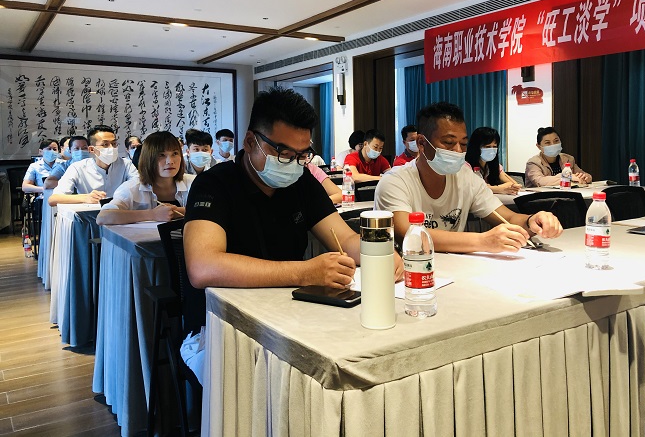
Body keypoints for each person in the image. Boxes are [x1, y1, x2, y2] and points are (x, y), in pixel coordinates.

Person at [182, 88, 402, 382]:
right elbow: (203, 266)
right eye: (284, 153)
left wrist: (381, 253)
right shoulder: (214, 184)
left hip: (292, 316)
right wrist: (305, 272)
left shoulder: (301, 181)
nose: (293, 163)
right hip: (225, 325)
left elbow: (345, 238)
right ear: (250, 142)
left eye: (302, 155)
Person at [375, 102, 563, 253]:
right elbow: (407, 233)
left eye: (463, 144)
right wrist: (483, 241)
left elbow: (508, 217)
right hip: (410, 273)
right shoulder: (394, 181)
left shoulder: (466, 178)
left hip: (458, 270)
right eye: (448, 143)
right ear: (422, 143)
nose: (458, 151)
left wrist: (532, 221)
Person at [97, 132, 195, 225]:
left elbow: (206, 210)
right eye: (161, 155)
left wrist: (176, 212)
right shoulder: (132, 187)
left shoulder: (194, 182)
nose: (170, 161)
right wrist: (152, 215)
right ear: (148, 158)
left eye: (175, 153)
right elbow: (103, 217)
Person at [49, 125, 138, 206]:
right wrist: (85, 198)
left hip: (120, 213)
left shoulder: (126, 164)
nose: (112, 148)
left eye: (114, 144)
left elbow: (140, 188)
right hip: (89, 215)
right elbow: (53, 199)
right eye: (105, 144)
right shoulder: (78, 168)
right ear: (91, 149)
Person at [525, 126, 592, 188]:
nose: (553, 145)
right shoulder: (533, 163)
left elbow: (582, 174)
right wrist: (566, 177)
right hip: (539, 196)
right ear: (539, 146)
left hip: (565, 194)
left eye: (556, 141)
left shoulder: (568, 159)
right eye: (547, 143)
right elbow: (540, 181)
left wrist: (586, 177)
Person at [465, 127, 521, 195]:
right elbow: (472, 188)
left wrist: (493, 188)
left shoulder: (494, 166)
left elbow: (513, 184)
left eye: (494, 147)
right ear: (476, 147)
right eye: (487, 146)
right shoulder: (466, 166)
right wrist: (500, 189)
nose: (491, 150)